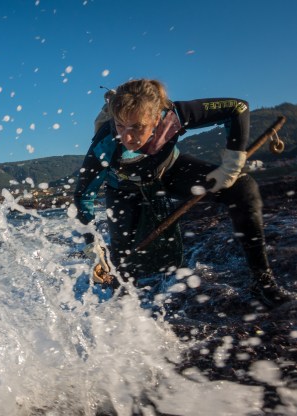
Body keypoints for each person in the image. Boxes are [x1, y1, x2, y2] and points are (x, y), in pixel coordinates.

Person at [73, 78, 293, 308]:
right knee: (122, 266)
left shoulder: (174, 115)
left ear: (156, 118)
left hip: (169, 171)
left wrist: (232, 161)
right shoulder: (104, 145)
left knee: (243, 188)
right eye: (120, 126)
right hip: (123, 189)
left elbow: (238, 108)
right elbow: (83, 196)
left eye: (137, 127)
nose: (127, 137)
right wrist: (92, 245)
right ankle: (122, 315)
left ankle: (263, 282)